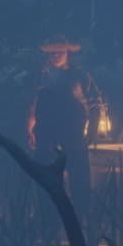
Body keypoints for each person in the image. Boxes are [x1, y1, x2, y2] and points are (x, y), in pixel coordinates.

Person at [25, 41, 106, 194]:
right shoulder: (40, 76)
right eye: (52, 52)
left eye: (59, 52)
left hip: (72, 128)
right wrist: (30, 128)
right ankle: (47, 212)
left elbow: (95, 102)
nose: (55, 55)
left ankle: (81, 212)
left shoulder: (79, 74)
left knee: (78, 171)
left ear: (67, 53)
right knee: (45, 170)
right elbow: (33, 103)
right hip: (46, 129)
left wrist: (93, 128)